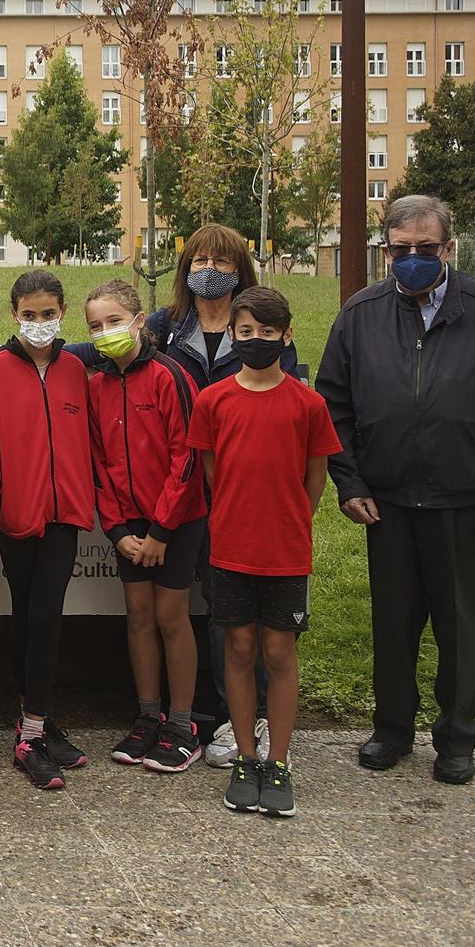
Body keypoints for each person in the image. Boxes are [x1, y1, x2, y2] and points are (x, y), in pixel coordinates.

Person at [316, 193, 475, 787]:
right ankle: (391, 729)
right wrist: (351, 481)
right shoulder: (360, 313)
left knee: (459, 626)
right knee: (392, 624)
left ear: (448, 248)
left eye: (424, 248)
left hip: (463, 505)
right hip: (385, 503)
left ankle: (456, 738)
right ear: (384, 251)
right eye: (399, 250)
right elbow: (331, 408)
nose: (411, 259)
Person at [131, 223, 300, 769]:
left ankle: (238, 717)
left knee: (235, 613)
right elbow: (111, 348)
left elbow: (288, 408)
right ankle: (191, 712)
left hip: (240, 492)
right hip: (179, 491)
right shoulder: (163, 328)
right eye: (200, 258)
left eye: (224, 262)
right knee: (188, 604)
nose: (211, 269)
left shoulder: (259, 330)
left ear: (241, 269)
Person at [187, 286, 342, 818]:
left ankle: (279, 761)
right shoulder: (213, 401)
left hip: (286, 553)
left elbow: (315, 478)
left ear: (287, 335)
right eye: (246, 331)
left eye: (268, 332)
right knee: (238, 649)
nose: (256, 340)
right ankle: (246, 759)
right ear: (232, 334)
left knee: (279, 652)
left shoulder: (309, 404)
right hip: (230, 548)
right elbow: (213, 474)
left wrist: (289, 520)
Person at [0, 269, 96, 791]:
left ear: (62, 311)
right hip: (16, 515)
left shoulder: (78, 369)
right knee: (28, 613)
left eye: (48, 314)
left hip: (66, 515)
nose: (39, 323)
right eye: (29, 315)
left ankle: (35, 721)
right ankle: (31, 728)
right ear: (13, 314)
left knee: (48, 615)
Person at [83, 279, 208, 773]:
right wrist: (116, 529)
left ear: (138, 320)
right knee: (137, 614)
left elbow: (188, 455)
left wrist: (160, 531)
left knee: (171, 616)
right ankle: (147, 716)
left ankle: (182, 724)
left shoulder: (170, 376)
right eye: (95, 326)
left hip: (175, 518)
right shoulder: (95, 385)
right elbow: (97, 461)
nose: (106, 332)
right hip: (127, 521)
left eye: (114, 321)